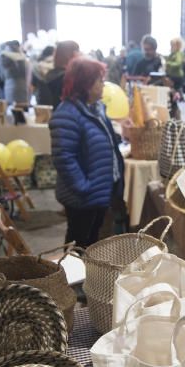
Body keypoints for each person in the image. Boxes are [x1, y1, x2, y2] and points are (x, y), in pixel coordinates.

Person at [49, 57, 124, 248]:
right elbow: (64, 158)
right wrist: (84, 187)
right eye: (99, 80)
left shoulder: (96, 109)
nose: (103, 85)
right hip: (83, 197)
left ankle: (87, 277)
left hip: (98, 192)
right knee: (78, 243)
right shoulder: (67, 114)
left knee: (91, 242)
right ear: (86, 84)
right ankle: (70, 277)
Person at [41, 40, 80, 109]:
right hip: (66, 116)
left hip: (51, 116)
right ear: (74, 54)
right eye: (78, 52)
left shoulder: (49, 74)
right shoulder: (69, 77)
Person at [0, 40, 29, 107]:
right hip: (22, 85)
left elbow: (2, 75)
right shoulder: (22, 57)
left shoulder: (4, 56)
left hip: (10, 84)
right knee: (22, 108)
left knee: (12, 108)